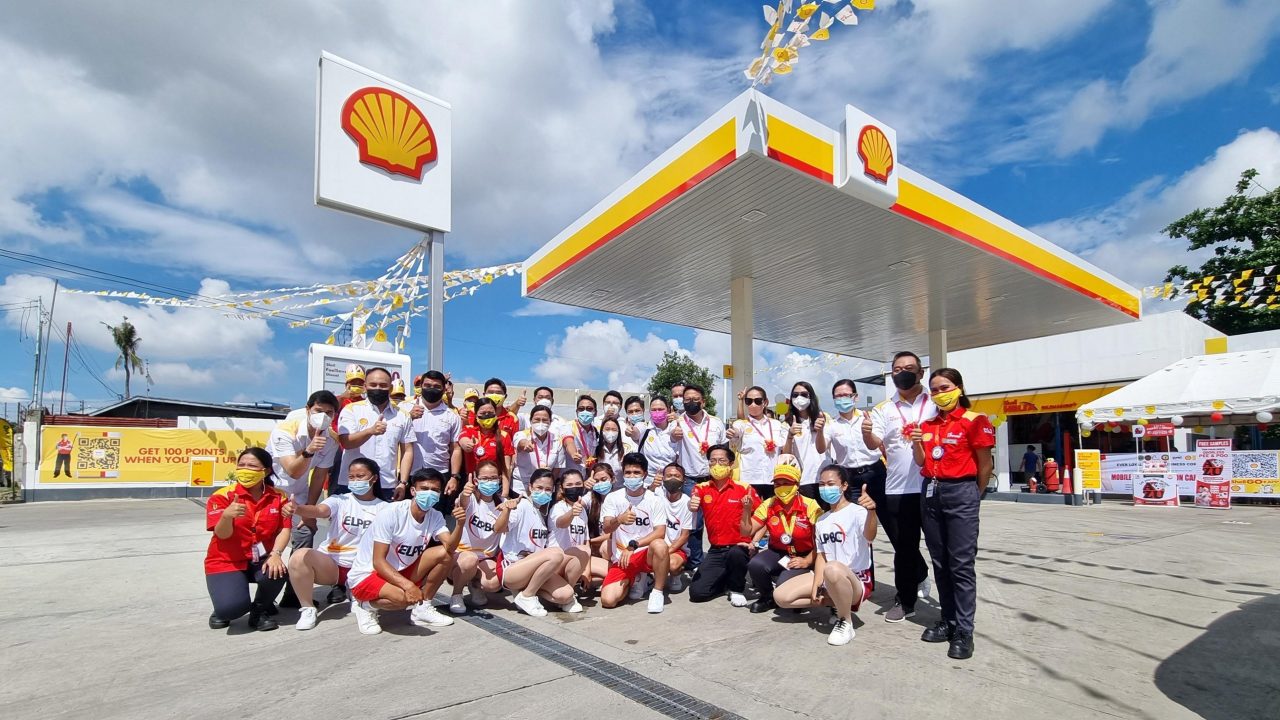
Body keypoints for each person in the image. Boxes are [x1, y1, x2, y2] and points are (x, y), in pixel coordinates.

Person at [913, 368, 995, 660]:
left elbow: (985, 464)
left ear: (958, 388)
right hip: (931, 491)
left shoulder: (975, 421)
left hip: (961, 492)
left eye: (944, 387)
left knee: (960, 563)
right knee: (940, 561)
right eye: (933, 390)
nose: (938, 394)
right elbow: (921, 461)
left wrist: (975, 494)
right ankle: (947, 621)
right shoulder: (928, 424)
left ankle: (964, 630)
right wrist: (916, 441)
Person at [864, 351, 937, 623]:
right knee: (904, 550)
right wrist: (866, 432)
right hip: (898, 490)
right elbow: (874, 443)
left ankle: (951, 609)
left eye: (908, 368)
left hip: (933, 487)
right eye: (896, 369)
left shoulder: (934, 403)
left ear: (920, 373)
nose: (902, 373)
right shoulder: (883, 409)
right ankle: (905, 601)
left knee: (940, 547)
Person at [346, 468, 462, 635]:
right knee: (403, 599)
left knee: (446, 554)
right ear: (413, 490)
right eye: (424, 489)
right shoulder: (392, 512)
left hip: (400, 570)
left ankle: (423, 609)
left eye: (435, 490)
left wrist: (460, 524)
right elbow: (378, 561)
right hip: (368, 574)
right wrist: (408, 586)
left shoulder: (435, 516)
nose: (430, 493)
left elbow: (450, 547)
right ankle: (365, 606)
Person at [774, 466, 878, 646]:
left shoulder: (857, 512)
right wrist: (816, 585)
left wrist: (872, 512)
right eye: (822, 484)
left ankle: (845, 621)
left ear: (844, 486)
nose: (825, 488)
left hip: (855, 578)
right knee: (781, 597)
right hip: (828, 576)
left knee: (833, 568)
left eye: (831, 484)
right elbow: (821, 555)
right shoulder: (822, 520)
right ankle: (836, 603)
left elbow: (870, 536)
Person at [286, 457, 385, 630]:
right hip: (332, 565)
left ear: (374, 478)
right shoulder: (340, 500)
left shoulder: (385, 508)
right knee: (299, 556)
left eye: (360, 476)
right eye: (351, 477)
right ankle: (308, 609)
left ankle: (358, 593)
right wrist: (298, 509)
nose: (355, 481)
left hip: (365, 568)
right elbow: (319, 510)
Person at [204, 447, 291, 631]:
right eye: (241, 465)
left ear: (265, 471)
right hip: (226, 561)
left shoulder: (279, 496)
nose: (245, 469)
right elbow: (222, 534)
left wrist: (276, 554)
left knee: (279, 571)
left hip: (260, 558)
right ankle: (223, 607)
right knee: (230, 609)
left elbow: (285, 528)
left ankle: (259, 611)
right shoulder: (222, 497)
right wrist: (227, 516)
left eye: (251, 466)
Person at [498, 468, 578, 616]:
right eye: (539, 488)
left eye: (548, 489)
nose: (543, 492)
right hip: (513, 568)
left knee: (566, 594)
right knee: (556, 554)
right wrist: (506, 510)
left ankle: (526, 592)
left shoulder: (543, 513)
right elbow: (499, 528)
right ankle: (527, 595)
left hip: (533, 570)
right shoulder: (520, 505)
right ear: (530, 487)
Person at [268, 390, 340, 552]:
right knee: (267, 541)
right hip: (271, 493)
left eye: (329, 413)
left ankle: (296, 575)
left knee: (305, 532)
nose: (323, 416)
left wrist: (309, 509)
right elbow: (293, 471)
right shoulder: (284, 431)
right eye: (319, 411)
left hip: (298, 495)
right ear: (308, 410)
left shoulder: (331, 440)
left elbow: (319, 476)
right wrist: (309, 450)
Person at [687, 444, 758, 606]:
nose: (717, 465)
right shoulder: (701, 488)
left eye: (721, 461)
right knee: (697, 593)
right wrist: (691, 505)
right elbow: (692, 504)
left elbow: (763, 517)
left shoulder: (745, 489)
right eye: (712, 461)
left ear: (731, 464)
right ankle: (725, 579)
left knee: (737, 554)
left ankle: (736, 588)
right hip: (716, 549)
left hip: (739, 547)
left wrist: (754, 541)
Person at [745, 462, 821, 613]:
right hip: (779, 553)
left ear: (797, 484)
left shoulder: (811, 505)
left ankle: (803, 587)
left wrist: (807, 560)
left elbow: (821, 542)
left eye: (786, 483)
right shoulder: (769, 504)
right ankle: (768, 598)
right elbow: (748, 530)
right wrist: (746, 510)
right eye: (777, 484)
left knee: (784, 583)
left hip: (806, 554)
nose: (781, 487)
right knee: (756, 565)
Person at [600, 453, 670, 613]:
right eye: (628, 472)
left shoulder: (655, 499)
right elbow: (606, 528)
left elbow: (660, 532)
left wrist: (634, 545)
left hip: (643, 552)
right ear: (623, 474)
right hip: (622, 557)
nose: (632, 476)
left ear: (644, 474)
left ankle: (657, 592)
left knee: (660, 545)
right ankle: (639, 580)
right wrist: (619, 519)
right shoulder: (613, 498)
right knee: (608, 600)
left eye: (636, 473)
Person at [337, 367, 414, 501]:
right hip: (353, 483)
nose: (378, 388)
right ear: (365, 387)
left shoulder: (403, 415)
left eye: (383, 385)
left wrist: (403, 483)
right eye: (373, 385)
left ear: (390, 388)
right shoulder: (351, 410)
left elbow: (407, 451)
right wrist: (370, 431)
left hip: (387, 485)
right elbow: (346, 442)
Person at [671, 383, 723, 571]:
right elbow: (671, 450)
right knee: (695, 523)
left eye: (695, 399)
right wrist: (673, 437)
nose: (691, 403)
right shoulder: (677, 424)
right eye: (687, 400)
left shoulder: (716, 422)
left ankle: (720, 559)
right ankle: (696, 563)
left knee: (717, 521)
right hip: (690, 480)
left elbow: (723, 448)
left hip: (714, 478)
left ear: (703, 401)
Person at [446, 460, 508, 614]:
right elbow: (462, 503)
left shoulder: (503, 504)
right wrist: (465, 493)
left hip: (486, 558)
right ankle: (457, 594)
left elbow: (502, 528)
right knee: (469, 560)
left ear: (500, 479)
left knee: (494, 584)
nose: (490, 482)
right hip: (461, 555)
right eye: (485, 478)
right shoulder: (471, 499)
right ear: (476, 480)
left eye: (493, 478)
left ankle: (474, 584)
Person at [825, 379, 884, 501]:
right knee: (856, 515)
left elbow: (877, 443)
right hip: (850, 476)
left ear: (855, 397)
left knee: (885, 514)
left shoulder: (869, 417)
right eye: (838, 396)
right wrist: (819, 431)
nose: (842, 399)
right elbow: (821, 448)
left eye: (846, 395)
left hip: (875, 471)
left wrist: (867, 433)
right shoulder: (831, 424)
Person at [728, 386, 786, 500]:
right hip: (750, 479)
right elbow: (736, 433)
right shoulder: (741, 425)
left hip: (773, 478)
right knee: (751, 515)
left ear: (765, 402)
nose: (753, 405)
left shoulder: (777, 425)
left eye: (757, 401)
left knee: (773, 516)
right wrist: (732, 434)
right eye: (749, 401)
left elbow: (784, 448)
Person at [548, 468, 592, 612]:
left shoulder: (583, 510)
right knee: (582, 551)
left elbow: (586, 540)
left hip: (577, 559)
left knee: (606, 571)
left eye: (578, 484)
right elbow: (561, 522)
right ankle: (569, 592)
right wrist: (572, 513)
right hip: (559, 561)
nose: (574, 488)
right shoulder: (558, 507)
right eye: (570, 485)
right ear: (562, 488)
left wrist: (587, 570)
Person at [407, 370, 463, 481]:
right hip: (409, 472)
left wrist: (454, 476)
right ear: (421, 386)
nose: (431, 389)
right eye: (427, 385)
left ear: (443, 389)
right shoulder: (405, 408)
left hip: (440, 473)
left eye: (436, 386)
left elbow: (455, 448)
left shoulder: (452, 416)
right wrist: (409, 417)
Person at [456, 396, 514, 497]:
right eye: (482, 413)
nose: (487, 416)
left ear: (496, 414)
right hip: (472, 485)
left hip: (494, 485)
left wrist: (505, 493)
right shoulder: (469, 430)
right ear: (476, 415)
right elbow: (462, 439)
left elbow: (506, 467)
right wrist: (466, 444)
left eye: (491, 413)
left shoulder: (504, 435)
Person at [782, 381, 828, 499]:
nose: (799, 398)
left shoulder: (823, 418)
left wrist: (820, 430)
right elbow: (786, 455)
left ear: (811, 397)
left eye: (804, 394)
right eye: (795, 395)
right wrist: (790, 436)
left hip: (824, 478)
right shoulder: (787, 424)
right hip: (803, 479)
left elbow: (822, 449)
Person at [512, 404, 564, 495]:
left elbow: (557, 468)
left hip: (544, 489)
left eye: (545, 420)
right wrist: (525, 444)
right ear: (531, 420)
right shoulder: (521, 434)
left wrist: (549, 480)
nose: (541, 423)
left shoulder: (557, 440)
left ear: (550, 422)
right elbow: (520, 443)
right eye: (537, 419)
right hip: (521, 488)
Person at [659, 463, 693, 591]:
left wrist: (667, 552)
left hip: (677, 548)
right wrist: (652, 486)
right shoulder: (657, 496)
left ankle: (676, 575)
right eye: (668, 475)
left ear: (683, 480)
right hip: (657, 544)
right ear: (662, 478)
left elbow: (685, 535)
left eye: (677, 476)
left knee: (672, 565)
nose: (672, 479)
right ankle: (645, 579)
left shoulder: (688, 503)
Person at [631, 396, 678, 488]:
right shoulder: (644, 427)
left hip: (671, 482)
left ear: (668, 410)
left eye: (660, 409)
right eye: (654, 410)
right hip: (647, 482)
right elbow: (635, 432)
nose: (657, 412)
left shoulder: (675, 428)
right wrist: (631, 432)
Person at [562, 394, 600, 477]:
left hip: (586, 478)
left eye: (589, 409)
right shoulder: (568, 426)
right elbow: (568, 442)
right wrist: (573, 454)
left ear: (595, 412)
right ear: (577, 412)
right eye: (581, 409)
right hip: (570, 477)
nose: (585, 412)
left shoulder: (595, 431)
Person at [594, 416, 635, 483]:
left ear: (618, 432)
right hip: (601, 488)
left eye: (614, 430)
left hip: (620, 489)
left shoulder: (627, 449)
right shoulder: (595, 448)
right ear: (602, 431)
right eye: (607, 429)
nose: (610, 432)